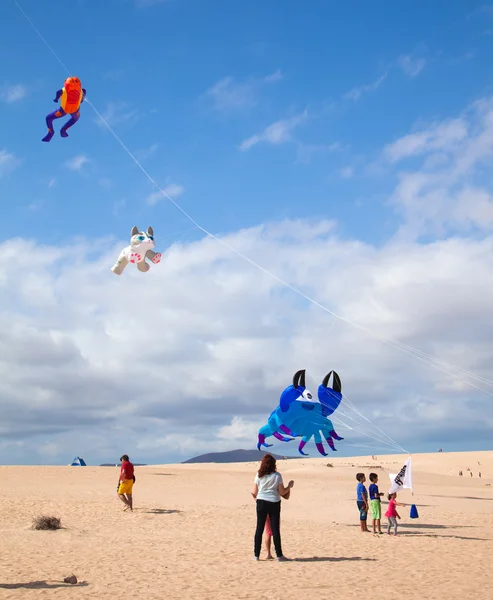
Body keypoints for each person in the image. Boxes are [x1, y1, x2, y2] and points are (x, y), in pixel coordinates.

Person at [252, 454, 293, 562]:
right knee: (275, 530)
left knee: (259, 529)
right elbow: (282, 492)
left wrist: (258, 498)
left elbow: (255, 492)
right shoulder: (277, 476)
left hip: (261, 502)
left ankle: (256, 555)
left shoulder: (258, 475)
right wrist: (289, 486)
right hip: (274, 502)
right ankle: (279, 555)